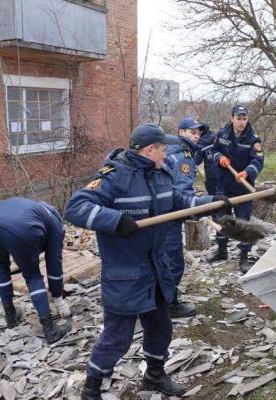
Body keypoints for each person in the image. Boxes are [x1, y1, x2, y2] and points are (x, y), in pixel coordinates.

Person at [65, 124, 230, 399]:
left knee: (160, 327)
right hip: (125, 272)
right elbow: (76, 207)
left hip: (156, 268)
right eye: (163, 150)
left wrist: (210, 202)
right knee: (117, 338)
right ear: (150, 149)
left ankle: (154, 375)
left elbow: (178, 203)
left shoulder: (161, 175)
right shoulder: (115, 176)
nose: (167, 155)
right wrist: (116, 220)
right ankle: (91, 388)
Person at [0, 197, 72, 343]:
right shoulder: (55, 224)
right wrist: (58, 299)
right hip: (22, 228)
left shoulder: (33, 208)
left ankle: (10, 316)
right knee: (33, 276)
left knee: (0, 265)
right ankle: (50, 330)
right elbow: (54, 264)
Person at [208, 105, 264, 274]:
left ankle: (244, 258)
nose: (241, 122)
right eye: (238, 118)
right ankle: (222, 251)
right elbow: (213, 150)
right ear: (232, 118)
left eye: (244, 118)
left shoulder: (253, 138)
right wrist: (220, 158)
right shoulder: (222, 133)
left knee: (243, 223)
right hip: (223, 184)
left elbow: (258, 161)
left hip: (243, 187)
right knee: (221, 219)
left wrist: (247, 172)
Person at [164, 117, 203, 318]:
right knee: (173, 262)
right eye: (192, 132)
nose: (196, 135)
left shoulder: (171, 149)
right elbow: (182, 190)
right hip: (170, 214)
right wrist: (195, 208)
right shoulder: (183, 156)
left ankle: (156, 300)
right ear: (181, 132)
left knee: (161, 259)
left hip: (162, 210)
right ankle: (169, 304)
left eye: (198, 133)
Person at [196, 123, 219, 195]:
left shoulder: (201, 142)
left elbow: (197, 161)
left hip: (211, 174)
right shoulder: (216, 136)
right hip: (224, 171)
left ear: (201, 131)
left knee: (213, 196)